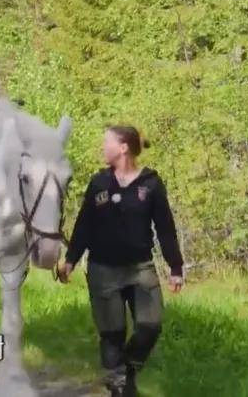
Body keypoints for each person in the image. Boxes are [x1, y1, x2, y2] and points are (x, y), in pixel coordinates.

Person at [58, 125, 185, 396]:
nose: (103, 147)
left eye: (107, 143)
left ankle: (125, 371)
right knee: (112, 334)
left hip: (141, 269)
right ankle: (120, 388)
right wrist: (70, 260)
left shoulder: (151, 183)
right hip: (103, 270)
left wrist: (175, 266)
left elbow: (165, 228)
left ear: (123, 147)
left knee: (150, 326)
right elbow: (84, 225)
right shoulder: (99, 182)